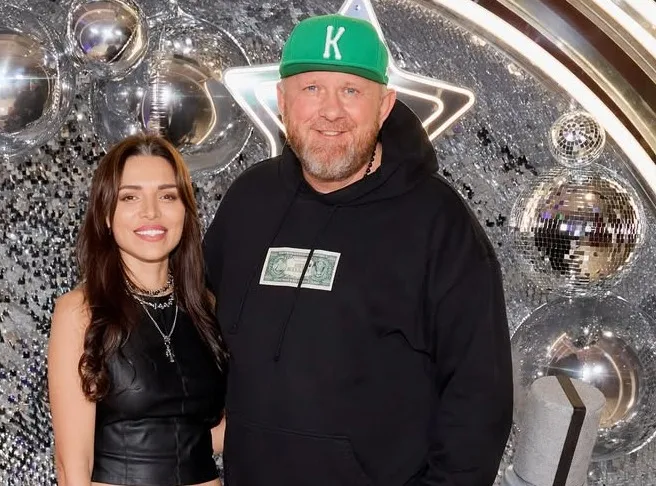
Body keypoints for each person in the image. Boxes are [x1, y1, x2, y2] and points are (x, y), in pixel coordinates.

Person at [203, 13, 513, 486]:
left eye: (351, 90)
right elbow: (195, 330)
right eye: (312, 88)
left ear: (384, 105)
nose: (330, 111)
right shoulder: (250, 200)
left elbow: (479, 395)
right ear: (282, 101)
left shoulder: (439, 222)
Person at [48, 133, 228, 486]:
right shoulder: (80, 312)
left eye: (167, 196)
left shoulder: (205, 307)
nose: (151, 212)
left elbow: (205, 436)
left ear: (185, 210)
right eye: (130, 197)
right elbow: (73, 466)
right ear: (106, 214)